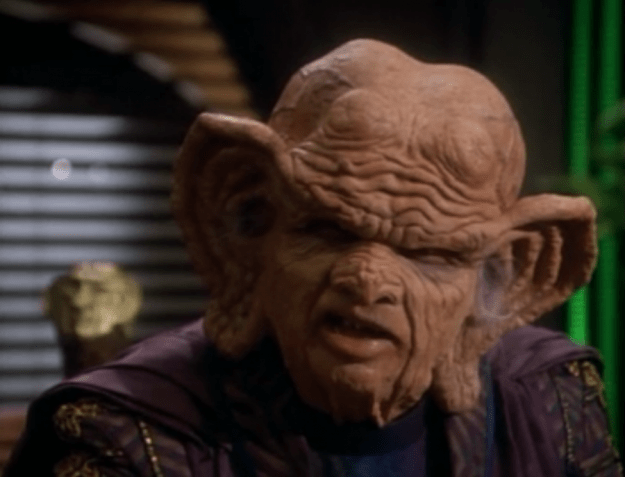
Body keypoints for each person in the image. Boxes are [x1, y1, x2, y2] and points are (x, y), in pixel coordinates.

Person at [5, 39, 622, 477]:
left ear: (505, 276)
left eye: (428, 252)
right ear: (249, 223)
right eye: (329, 231)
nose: (369, 280)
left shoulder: (550, 403)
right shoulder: (123, 433)